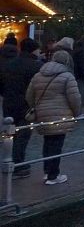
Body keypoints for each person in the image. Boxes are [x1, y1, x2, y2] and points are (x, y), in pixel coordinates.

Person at [25, 49, 81, 185]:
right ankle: (53, 175)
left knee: (47, 143)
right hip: (60, 115)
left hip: (43, 115)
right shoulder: (67, 76)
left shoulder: (38, 75)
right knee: (56, 145)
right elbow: (74, 98)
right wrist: (75, 113)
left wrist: (37, 108)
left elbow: (29, 96)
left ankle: (47, 171)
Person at [0, 38, 42, 178]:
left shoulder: (9, 65)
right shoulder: (35, 66)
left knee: (10, 133)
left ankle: (8, 160)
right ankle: (17, 164)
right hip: (25, 105)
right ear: (32, 49)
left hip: (9, 103)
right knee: (23, 134)